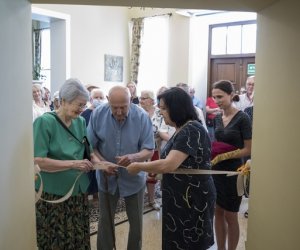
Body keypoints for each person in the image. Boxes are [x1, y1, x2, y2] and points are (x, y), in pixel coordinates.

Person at [127, 87, 216, 250]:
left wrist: (139, 166)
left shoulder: (191, 129)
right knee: (177, 240)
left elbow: (169, 164)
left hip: (191, 197)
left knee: (189, 242)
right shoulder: (181, 129)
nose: (160, 112)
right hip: (179, 196)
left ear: (176, 108)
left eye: (163, 108)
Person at [33, 78, 101, 249]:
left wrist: (102, 164)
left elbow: (88, 150)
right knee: (55, 237)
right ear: (63, 101)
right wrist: (73, 164)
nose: (82, 109)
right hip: (54, 194)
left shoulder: (80, 121)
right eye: (78, 105)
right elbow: (38, 160)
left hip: (77, 192)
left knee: (77, 235)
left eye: (84, 105)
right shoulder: (45, 122)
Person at [87, 86, 154, 250]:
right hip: (106, 178)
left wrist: (133, 157)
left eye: (123, 107)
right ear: (108, 100)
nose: (118, 112)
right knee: (105, 223)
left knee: (136, 223)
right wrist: (102, 164)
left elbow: (149, 149)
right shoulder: (98, 114)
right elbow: (90, 147)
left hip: (134, 179)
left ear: (131, 100)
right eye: (114, 107)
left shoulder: (141, 117)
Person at [211, 80, 252, 250]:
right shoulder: (218, 118)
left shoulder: (243, 117)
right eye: (214, 97)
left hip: (234, 171)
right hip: (216, 170)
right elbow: (217, 143)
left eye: (220, 96)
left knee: (231, 214)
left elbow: (249, 148)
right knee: (217, 212)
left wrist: (226, 155)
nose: (217, 101)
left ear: (231, 94)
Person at [139, 90, 169, 210]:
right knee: (139, 174)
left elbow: (163, 129)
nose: (141, 100)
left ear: (152, 100)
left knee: (152, 175)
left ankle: (152, 200)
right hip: (139, 149)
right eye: (140, 98)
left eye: (144, 98)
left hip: (155, 149)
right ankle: (138, 200)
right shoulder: (137, 111)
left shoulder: (159, 112)